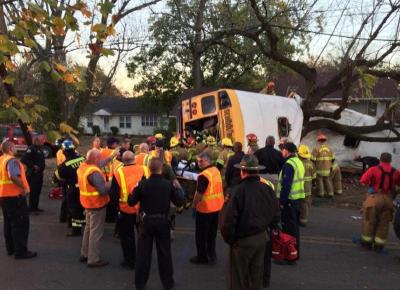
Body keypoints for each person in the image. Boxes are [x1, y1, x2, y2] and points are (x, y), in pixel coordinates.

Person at [220, 154, 279, 290]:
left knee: (237, 280)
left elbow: (227, 222)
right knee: (255, 278)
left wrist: (231, 239)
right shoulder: (268, 189)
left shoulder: (237, 191)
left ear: (242, 171)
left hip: (242, 242)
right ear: (257, 171)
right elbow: (276, 213)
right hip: (262, 239)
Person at [128, 158, 183, 290]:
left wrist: (133, 190)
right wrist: (177, 189)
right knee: (165, 254)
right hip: (163, 221)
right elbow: (179, 202)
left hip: (146, 222)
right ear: (161, 169)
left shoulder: (142, 184)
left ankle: (140, 284)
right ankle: (167, 283)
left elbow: (131, 202)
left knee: (143, 254)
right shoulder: (168, 184)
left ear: (149, 169)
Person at [110, 151, 149, 269]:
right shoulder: (145, 169)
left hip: (125, 210)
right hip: (143, 209)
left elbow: (113, 195)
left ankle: (130, 261)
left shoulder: (118, 173)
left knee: (127, 237)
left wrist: (114, 210)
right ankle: (144, 260)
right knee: (143, 237)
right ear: (134, 159)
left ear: (122, 160)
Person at [0, 140, 37, 259]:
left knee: (9, 223)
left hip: (4, 196)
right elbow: (13, 176)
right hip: (15, 196)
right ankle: (21, 252)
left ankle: (11, 249)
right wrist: (23, 187)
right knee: (20, 224)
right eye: (14, 147)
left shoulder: (2, 160)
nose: (16, 148)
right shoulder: (12, 161)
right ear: (10, 148)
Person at [359, 153, 400, 251]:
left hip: (374, 197)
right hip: (388, 200)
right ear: (390, 160)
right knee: (384, 223)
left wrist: (371, 185)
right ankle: (379, 245)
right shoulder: (396, 172)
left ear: (380, 159)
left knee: (369, 221)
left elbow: (363, 181)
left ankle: (367, 243)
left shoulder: (373, 169)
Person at [78, 149, 111, 267]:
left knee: (88, 229)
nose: (101, 159)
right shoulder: (95, 173)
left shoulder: (83, 167)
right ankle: (93, 259)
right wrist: (110, 183)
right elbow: (102, 191)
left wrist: (111, 157)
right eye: (100, 158)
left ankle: (85, 253)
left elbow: (99, 164)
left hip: (87, 204)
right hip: (97, 205)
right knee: (95, 233)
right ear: (96, 159)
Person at [190, 152, 224, 264]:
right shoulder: (215, 171)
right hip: (217, 208)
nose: (199, 163)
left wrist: (194, 205)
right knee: (212, 234)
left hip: (205, 209)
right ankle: (212, 254)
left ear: (208, 161)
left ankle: (202, 257)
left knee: (201, 235)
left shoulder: (203, 175)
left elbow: (199, 193)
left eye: (201, 161)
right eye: (198, 161)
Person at [277, 142, 305, 262]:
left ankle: (289, 255)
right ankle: (294, 253)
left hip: (289, 201)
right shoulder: (299, 162)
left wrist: (281, 202)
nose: (282, 152)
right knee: (294, 229)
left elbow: (286, 185)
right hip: (297, 200)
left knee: (287, 230)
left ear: (287, 151)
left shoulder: (289, 164)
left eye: (282, 150)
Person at [55, 140, 86, 236]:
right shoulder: (83, 159)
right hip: (84, 188)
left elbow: (57, 178)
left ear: (64, 151)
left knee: (74, 209)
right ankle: (79, 224)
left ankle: (76, 230)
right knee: (81, 208)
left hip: (73, 190)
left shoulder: (63, 166)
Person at [21, 135, 46, 214]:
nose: (43, 141)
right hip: (33, 174)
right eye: (41, 140)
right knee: (33, 192)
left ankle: (35, 207)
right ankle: (31, 208)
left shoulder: (39, 149)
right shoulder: (31, 149)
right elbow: (24, 159)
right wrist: (33, 166)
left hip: (39, 174)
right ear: (36, 141)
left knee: (38, 191)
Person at [297, 145, 316, 227]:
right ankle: (303, 220)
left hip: (297, 189)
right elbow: (314, 177)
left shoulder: (297, 163)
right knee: (305, 204)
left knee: (297, 204)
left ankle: (297, 219)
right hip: (307, 189)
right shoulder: (311, 164)